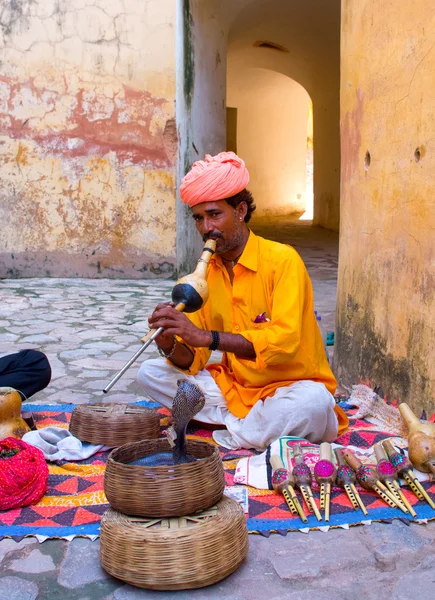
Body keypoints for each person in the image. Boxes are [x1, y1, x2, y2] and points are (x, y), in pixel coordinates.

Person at [137, 151, 348, 450]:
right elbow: (191, 360)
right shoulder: (205, 275)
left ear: (240, 210)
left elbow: (285, 341)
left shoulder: (282, 261)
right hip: (236, 387)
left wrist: (204, 337)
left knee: (313, 405)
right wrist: (169, 340)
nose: (206, 227)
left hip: (290, 387)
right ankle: (255, 427)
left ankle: (231, 430)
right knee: (149, 374)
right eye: (199, 218)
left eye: (214, 214)